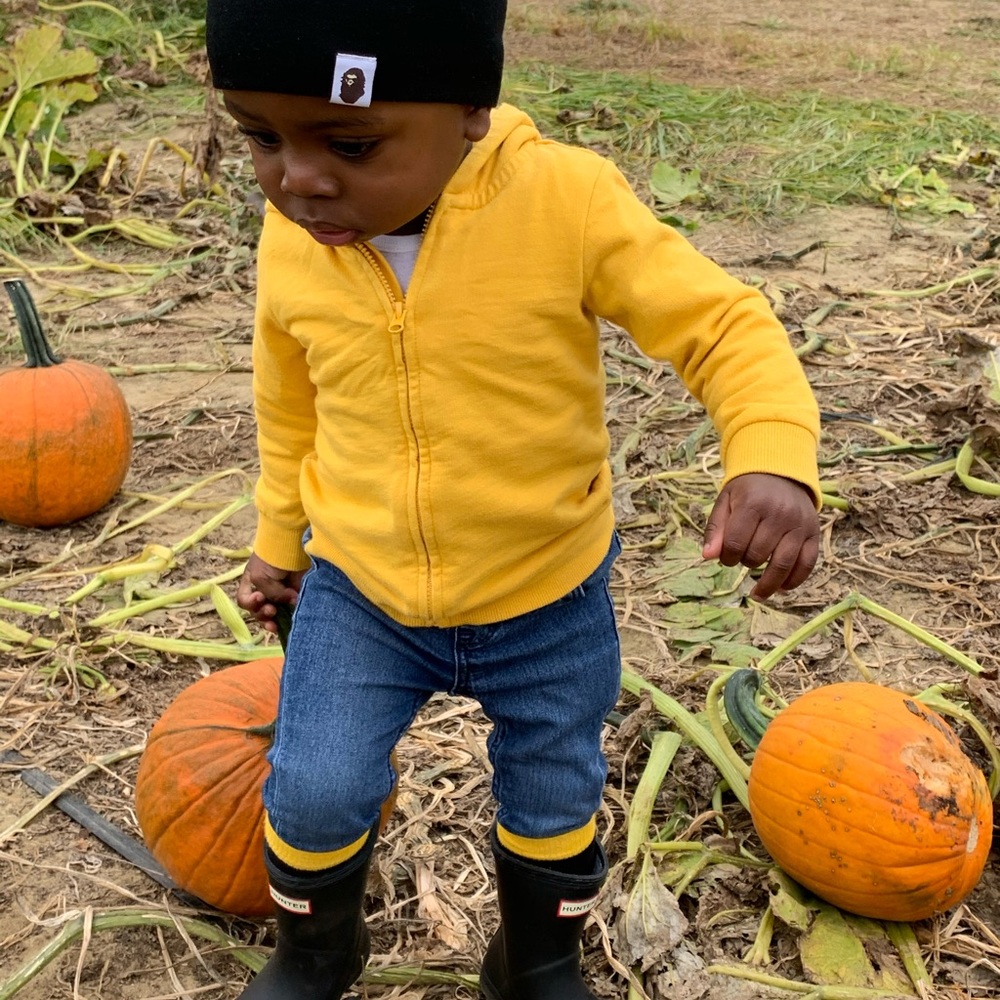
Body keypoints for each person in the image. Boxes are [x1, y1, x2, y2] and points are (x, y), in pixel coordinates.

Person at [205, 1, 822, 997]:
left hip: (545, 591)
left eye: (350, 142)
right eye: (261, 137)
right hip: (362, 588)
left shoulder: (562, 202)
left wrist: (771, 457)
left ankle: (535, 957)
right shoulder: (296, 242)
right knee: (315, 788)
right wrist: (280, 541)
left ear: (470, 112)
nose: (299, 177)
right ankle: (316, 948)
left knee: (553, 792)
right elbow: (290, 410)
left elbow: (723, 327)